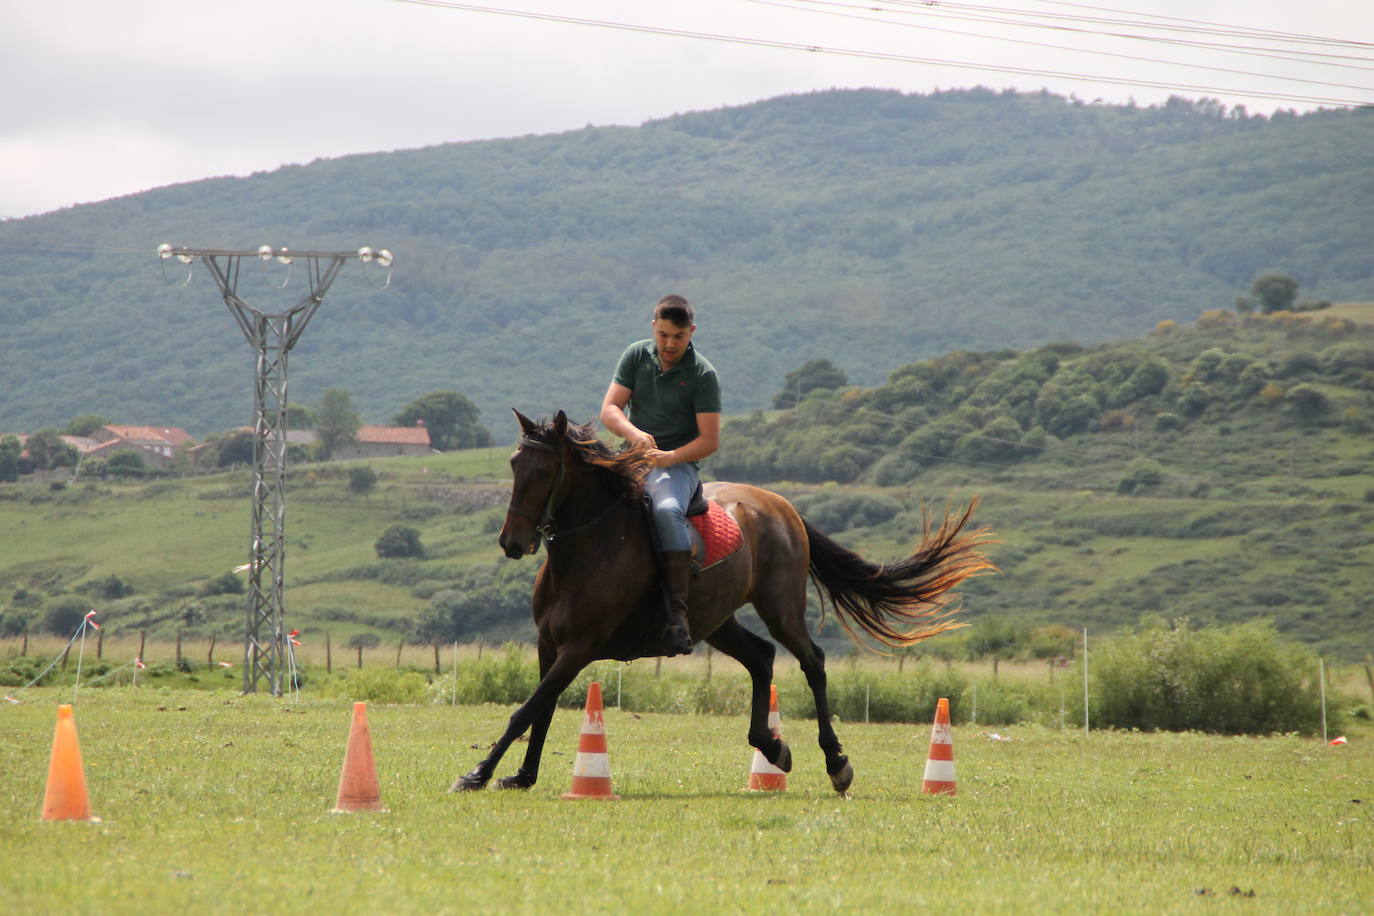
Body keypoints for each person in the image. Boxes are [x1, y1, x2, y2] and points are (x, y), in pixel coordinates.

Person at [600, 294, 721, 656]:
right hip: (629, 457)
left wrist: (670, 457)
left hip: (677, 466)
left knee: (667, 510)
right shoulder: (636, 355)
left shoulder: (703, 375)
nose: (669, 344)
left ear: (692, 332)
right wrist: (634, 435)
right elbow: (610, 409)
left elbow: (709, 441)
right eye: (664, 335)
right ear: (653, 326)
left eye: (679, 337)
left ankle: (677, 617)